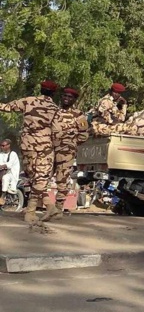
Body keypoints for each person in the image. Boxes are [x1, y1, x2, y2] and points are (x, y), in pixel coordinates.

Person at [0, 80, 60, 226]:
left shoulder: (28, 101)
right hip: (45, 148)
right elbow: (58, 131)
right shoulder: (55, 108)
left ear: (41, 89)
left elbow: (6, 107)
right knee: (40, 179)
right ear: (53, 93)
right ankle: (32, 211)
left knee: (33, 177)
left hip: (27, 146)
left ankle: (49, 206)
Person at [50, 87, 89, 219]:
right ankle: (37, 205)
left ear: (74, 100)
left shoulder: (78, 115)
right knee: (42, 176)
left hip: (66, 152)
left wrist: (71, 143)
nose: (66, 98)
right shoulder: (54, 112)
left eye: (69, 97)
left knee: (62, 179)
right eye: (64, 96)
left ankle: (58, 209)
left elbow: (84, 135)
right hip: (49, 151)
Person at [0, 139, 21, 214]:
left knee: (5, 178)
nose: (1, 147)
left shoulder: (13, 154)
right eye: (1, 145)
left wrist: (2, 166)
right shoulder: (1, 154)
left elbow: (9, 165)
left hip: (11, 174)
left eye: (3, 145)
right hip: (2, 172)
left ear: (8, 145)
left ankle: (2, 196)